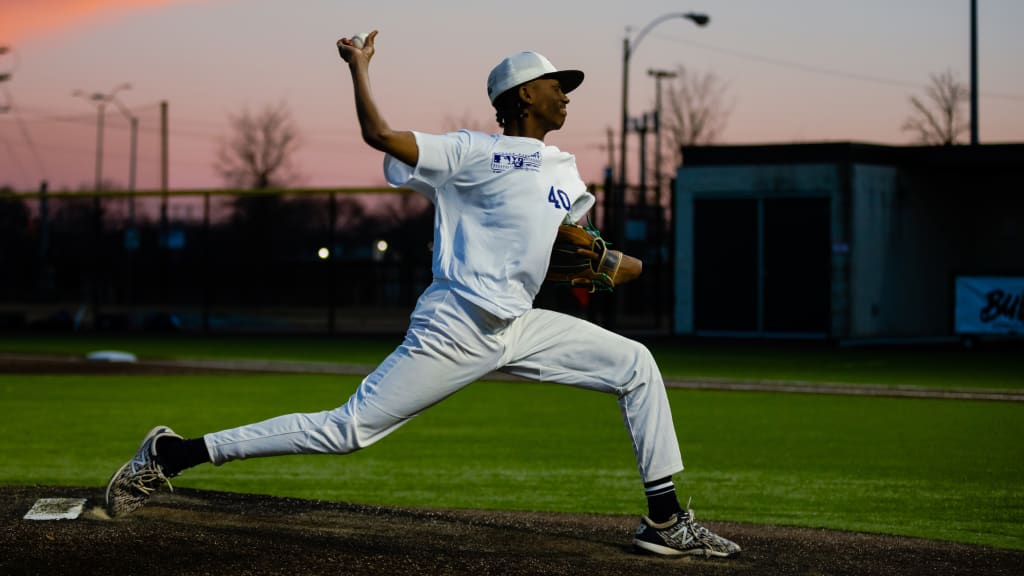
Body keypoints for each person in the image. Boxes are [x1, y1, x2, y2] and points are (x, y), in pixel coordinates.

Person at [105, 30, 741, 559]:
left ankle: (663, 520)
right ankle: (172, 452)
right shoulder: (470, 151)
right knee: (346, 431)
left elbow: (574, 255)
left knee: (637, 365)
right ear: (522, 95)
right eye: (556, 85)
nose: (565, 95)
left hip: (519, 324)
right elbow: (381, 137)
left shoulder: (566, 170)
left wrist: (609, 265)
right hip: (456, 325)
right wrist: (360, 71)